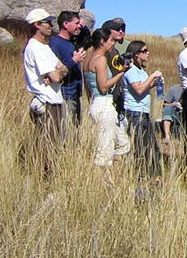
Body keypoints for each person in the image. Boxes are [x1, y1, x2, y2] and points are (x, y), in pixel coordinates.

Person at [22, 8, 84, 146]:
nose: (51, 25)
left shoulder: (44, 47)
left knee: (54, 144)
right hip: (47, 102)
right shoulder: (36, 48)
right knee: (49, 147)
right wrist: (64, 68)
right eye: (48, 22)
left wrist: (59, 71)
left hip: (54, 101)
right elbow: (56, 77)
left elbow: (60, 69)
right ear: (37, 25)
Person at [84, 27, 131, 183]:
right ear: (102, 41)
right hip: (104, 102)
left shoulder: (88, 59)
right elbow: (103, 86)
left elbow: (89, 87)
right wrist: (121, 73)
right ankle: (104, 181)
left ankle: (113, 176)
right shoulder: (101, 59)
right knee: (105, 146)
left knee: (121, 142)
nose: (113, 43)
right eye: (110, 40)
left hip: (97, 102)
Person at [122, 40, 164, 178]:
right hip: (134, 114)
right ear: (136, 54)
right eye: (144, 51)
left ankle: (153, 176)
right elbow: (139, 89)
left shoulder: (141, 71)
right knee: (142, 148)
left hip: (144, 113)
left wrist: (154, 83)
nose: (148, 53)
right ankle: (142, 178)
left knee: (152, 148)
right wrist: (152, 76)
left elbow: (143, 87)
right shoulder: (131, 70)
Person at [49, 10, 86, 128]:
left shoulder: (72, 42)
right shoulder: (55, 43)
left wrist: (84, 29)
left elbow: (91, 40)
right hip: (65, 95)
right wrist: (74, 60)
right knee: (66, 131)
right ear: (65, 24)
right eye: (76, 23)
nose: (78, 26)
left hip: (75, 94)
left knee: (75, 131)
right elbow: (55, 71)